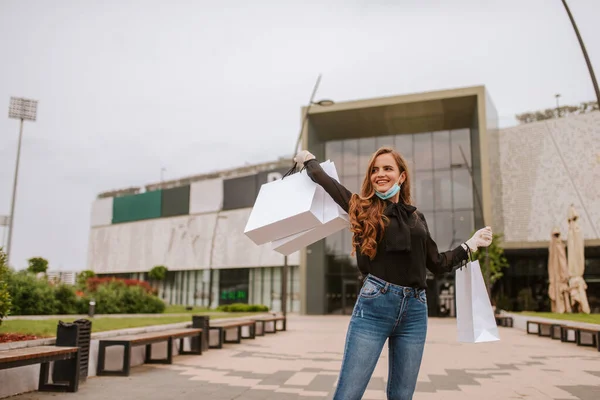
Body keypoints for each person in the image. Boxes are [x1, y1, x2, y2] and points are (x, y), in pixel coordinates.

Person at [293, 146, 493, 400]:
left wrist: (469, 245)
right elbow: (328, 183)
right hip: (374, 308)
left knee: (402, 396)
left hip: (415, 312)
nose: (380, 174)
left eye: (388, 168)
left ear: (401, 176)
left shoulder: (416, 217)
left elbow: (437, 263)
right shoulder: (362, 208)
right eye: (375, 170)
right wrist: (309, 162)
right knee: (348, 394)